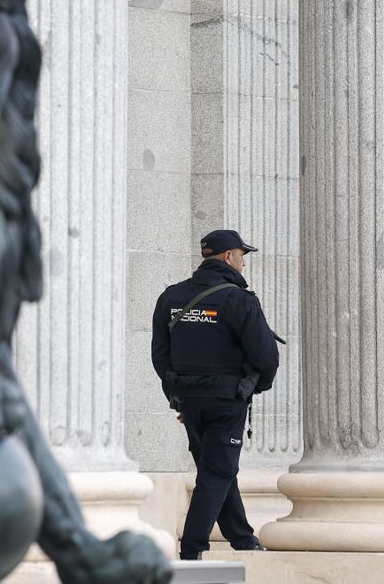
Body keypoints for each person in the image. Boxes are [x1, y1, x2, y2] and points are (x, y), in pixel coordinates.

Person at [151, 229, 280, 561]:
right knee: (218, 471)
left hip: (189, 401)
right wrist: (254, 387)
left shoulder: (171, 297)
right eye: (241, 256)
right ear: (227, 257)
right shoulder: (238, 300)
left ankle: (242, 539)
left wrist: (177, 395)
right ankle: (192, 549)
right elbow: (266, 356)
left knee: (217, 469)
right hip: (226, 400)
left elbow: (160, 355)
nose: (243, 264)